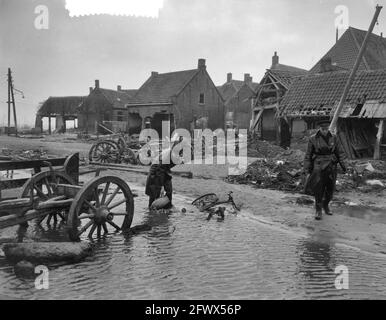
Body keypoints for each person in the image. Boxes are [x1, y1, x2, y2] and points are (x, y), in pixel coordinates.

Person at [304, 120, 348, 220]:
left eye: (326, 129)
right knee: (318, 188)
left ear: (329, 128)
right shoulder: (313, 138)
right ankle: (318, 210)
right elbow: (308, 154)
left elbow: (340, 153)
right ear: (319, 128)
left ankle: (326, 205)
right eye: (322, 129)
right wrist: (307, 168)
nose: (324, 131)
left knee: (330, 188)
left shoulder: (334, 137)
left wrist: (344, 166)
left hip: (331, 165)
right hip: (318, 165)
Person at [145, 137, 184, 209]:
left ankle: (168, 206)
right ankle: (151, 209)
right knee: (155, 190)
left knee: (169, 189)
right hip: (156, 169)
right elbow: (160, 170)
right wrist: (161, 185)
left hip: (164, 170)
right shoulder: (168, 154)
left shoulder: (176, 154)